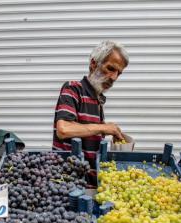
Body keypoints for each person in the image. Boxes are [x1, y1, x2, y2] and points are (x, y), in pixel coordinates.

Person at [52, 41, 129, 170]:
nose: (114, 77)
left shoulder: (98, 99)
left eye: (119, 73)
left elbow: (87, 135)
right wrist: (103, 128)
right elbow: (63, 129)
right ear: (94, 64)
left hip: (89, 182)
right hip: (69, 182)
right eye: (110, 69)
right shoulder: (73, 89)